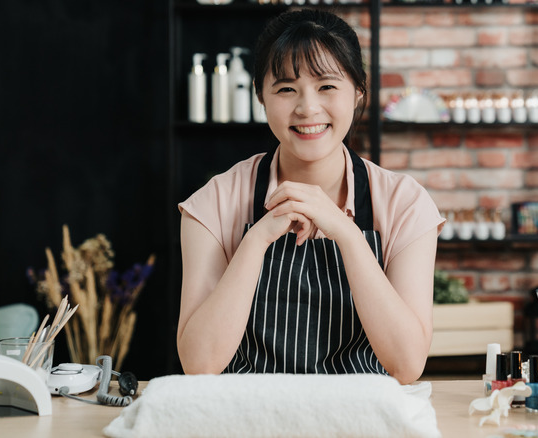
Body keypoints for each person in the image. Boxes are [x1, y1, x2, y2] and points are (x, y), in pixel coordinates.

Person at [176, 9, 444, 384]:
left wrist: (347, 234)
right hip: (246, 416)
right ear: (261, 98)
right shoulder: (215, 202)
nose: (307, 108)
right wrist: (256, 240)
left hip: (361, 419)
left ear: (357, 93)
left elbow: (406, 365)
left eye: (327, 86)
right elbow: (199, 363)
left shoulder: (404, 203)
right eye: (286, 89)